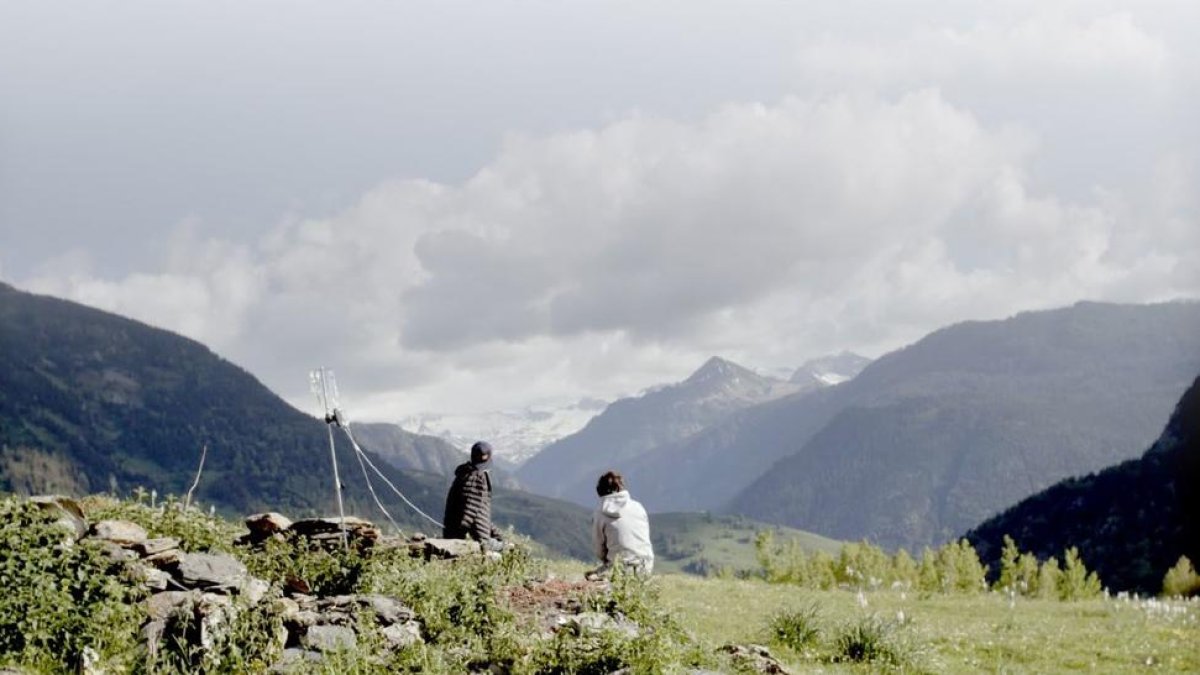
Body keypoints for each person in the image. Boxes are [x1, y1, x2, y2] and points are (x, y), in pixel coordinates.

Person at [588, 470, 654, 580]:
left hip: (620, 569)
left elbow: (599, 548)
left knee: (590, 578)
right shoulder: (638, 507)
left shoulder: (600, 514)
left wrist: (607, 560)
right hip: (645, 566)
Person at [443, 441, 503, 550]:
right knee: (510, 549)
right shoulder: (477, 478)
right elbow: (470, 514)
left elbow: (478, 512)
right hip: (476, 538)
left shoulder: (464, 474)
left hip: (452, 532)